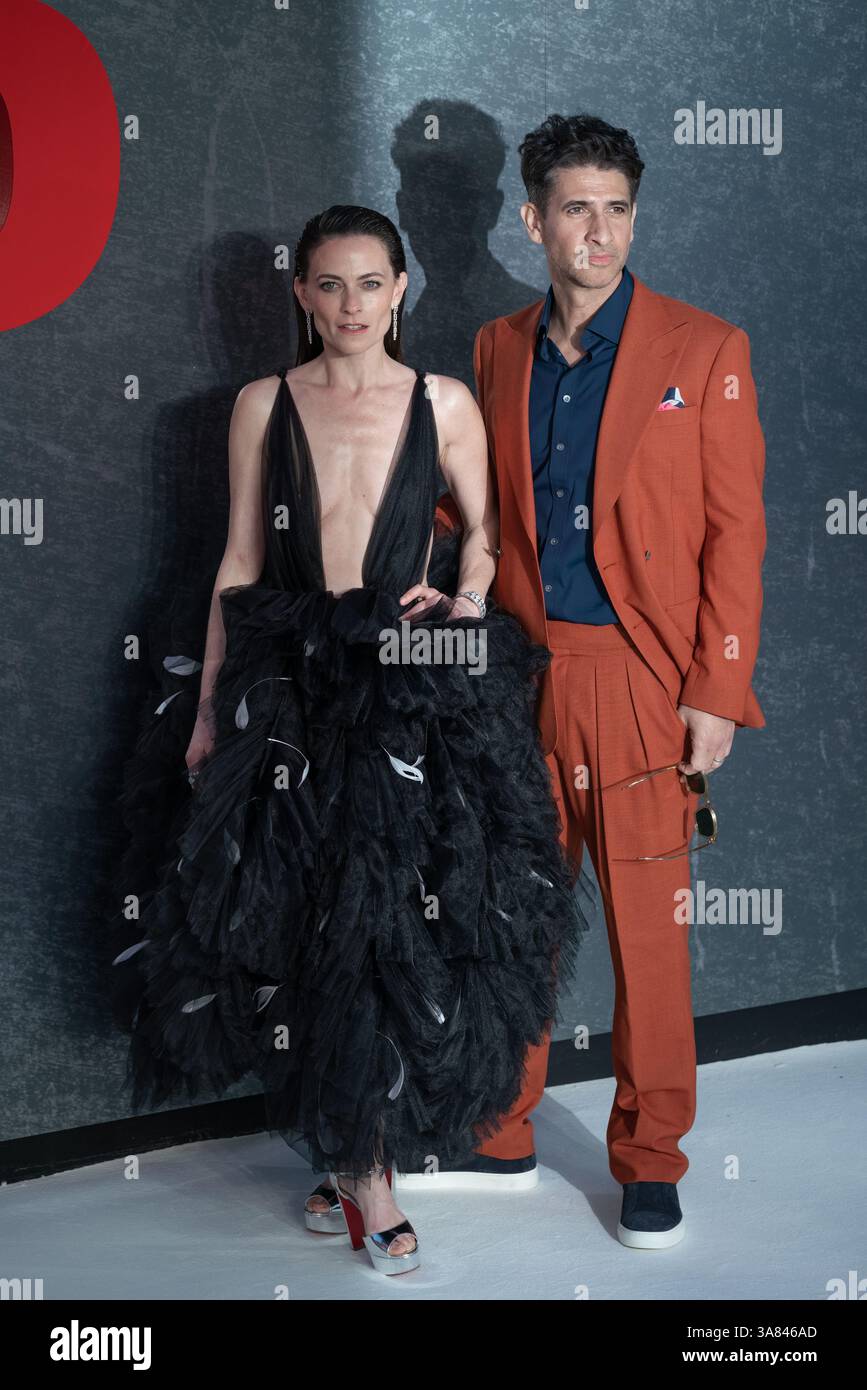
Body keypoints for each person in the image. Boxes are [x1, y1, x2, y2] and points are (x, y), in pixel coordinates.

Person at [111, 204, 590, 1276]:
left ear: (401, 290)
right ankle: (350, 1149)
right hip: (288, 680)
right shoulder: (262, 405)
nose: (350, 307)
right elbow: (239, 560)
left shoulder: (442, 402)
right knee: (303, 919)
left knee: (388, 921)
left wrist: (466, 599)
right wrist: (204, 713)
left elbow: (490, 534)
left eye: (369, 284)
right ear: (301, 295)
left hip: (410, 685)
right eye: (328, 286)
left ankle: (363, 1167)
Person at [450, 113, 766, 1248]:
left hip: (644, 680)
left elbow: (738, 533)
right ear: (533, 219)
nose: (601, 230)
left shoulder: (704, 348)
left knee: (649, 931)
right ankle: (499, 1126)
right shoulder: (494, 348)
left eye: (617, 208)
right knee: (516, 915)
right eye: (577, 208)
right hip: (528, 676)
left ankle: (651, 1157)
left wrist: (717, 692)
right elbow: (475, 506)